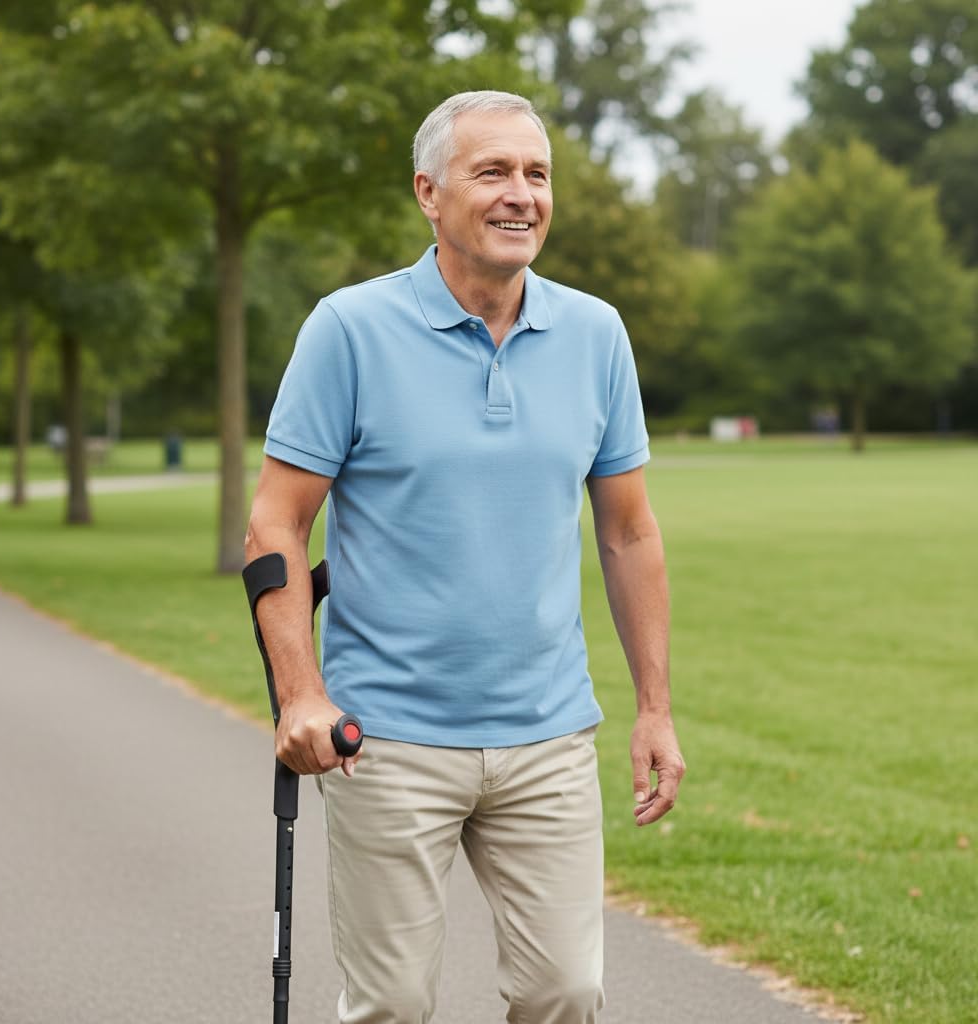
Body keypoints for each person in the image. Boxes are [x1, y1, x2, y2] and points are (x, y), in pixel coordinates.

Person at [244, 90, 685, 1024]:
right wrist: (300, 694)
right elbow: (275, 526)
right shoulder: (349, 330)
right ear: (429, 193)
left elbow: (629, 531)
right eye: (492, 172)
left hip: (549, 737)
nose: (521, 194)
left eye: (537, 174)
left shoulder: (596, 334)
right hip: (386, 740)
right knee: (393, 1004)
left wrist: (654, 708)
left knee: (566, 993)